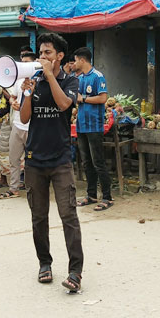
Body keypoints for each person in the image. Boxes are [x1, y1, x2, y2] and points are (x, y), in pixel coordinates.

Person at [19, 32, 83, 292]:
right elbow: (24, 118)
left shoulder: (70, 80)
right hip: (34, 159)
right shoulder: (34, 80)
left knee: (68, 215)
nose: (42, 57)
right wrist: (27, 94)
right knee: (38, 216)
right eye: (41, 53)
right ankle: (44, 264)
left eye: (47, 53)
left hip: (60, 160)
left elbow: (65, 104)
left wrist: (49, 76)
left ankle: (75, 272)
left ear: (59, 56)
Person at [72, 47, 112, 210]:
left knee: (98, 162)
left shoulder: (97, 76)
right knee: (87, 163)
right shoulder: (79, 78)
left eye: (76, 60)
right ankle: (91, 195)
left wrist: (83, 98)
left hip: (94, 125)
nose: (74, 63)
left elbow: (103, 98)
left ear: (82, 60)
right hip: (81, 125)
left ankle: (107, 197)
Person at [3, 51, 37, 199]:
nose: (23, 66)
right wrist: (13, 102)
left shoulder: (39, 81)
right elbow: (12, 97)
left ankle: (33, 187)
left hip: (32, 127)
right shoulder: (18, 81)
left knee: (32, 160)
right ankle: (14, 188)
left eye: (27, 63)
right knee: (14, 158)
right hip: (17, 125)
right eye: (22, 63)